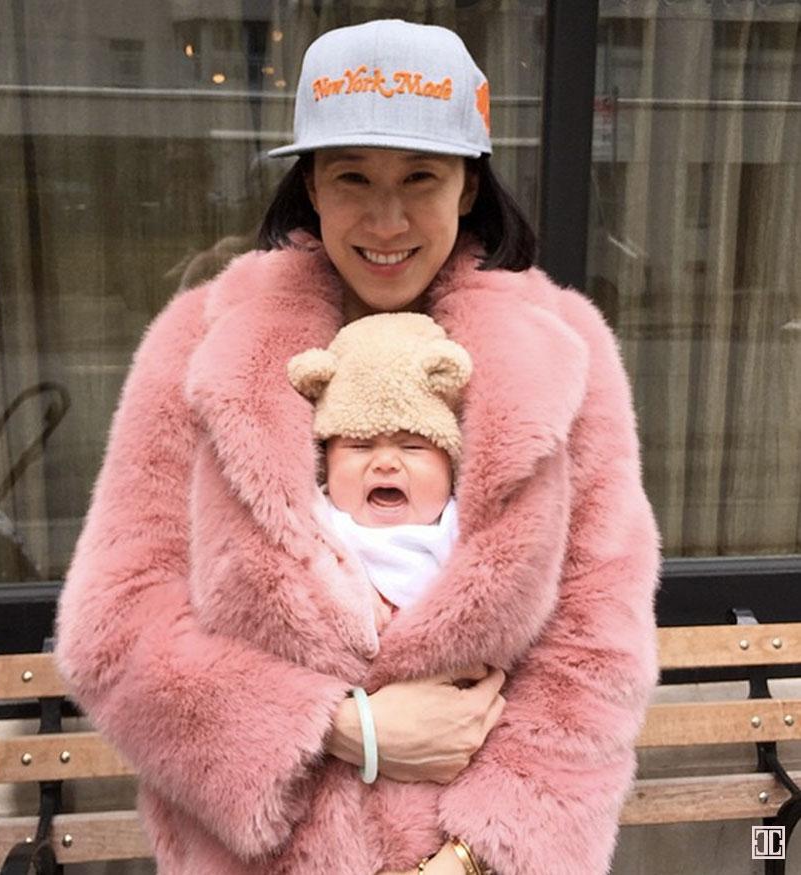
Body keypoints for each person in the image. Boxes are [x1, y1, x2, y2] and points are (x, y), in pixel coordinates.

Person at [55, 18, 661, 875]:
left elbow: (597, 637)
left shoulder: (562, 352)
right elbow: (115, 627)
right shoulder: (201, 343)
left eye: (420, 176)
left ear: (467, 184)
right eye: (351, 176)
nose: (386, 218)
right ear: (309, 183)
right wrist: (343, 726)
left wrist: (477, 855)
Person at [289, 311, 471, 635]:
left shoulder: (461, 528)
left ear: (450, 464)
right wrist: (351, 599)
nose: (385, 463)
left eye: (412, 447)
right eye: (360, 446)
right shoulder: (319, 523)